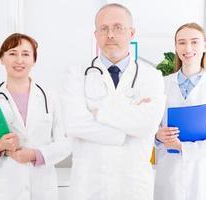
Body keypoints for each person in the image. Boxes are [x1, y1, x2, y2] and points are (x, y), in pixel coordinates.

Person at [61, 3, 165, 200]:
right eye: (104, 28)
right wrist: (127, 126)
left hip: (133, 187)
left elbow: (147, 125)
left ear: (131, 33)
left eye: (118, 27)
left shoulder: (152, 76)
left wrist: (100, 112)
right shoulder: (76, 74)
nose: (110, 34)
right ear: (96, 34)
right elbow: (74, 124)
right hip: (89, 187)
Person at [0, 33, 72, 200]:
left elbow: (66, 144)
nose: (19, 60)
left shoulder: (51, 99)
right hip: (0, 191)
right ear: (1, 58)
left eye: (26, 54)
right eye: (12, 53)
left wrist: (35, 155)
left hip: (40, 189)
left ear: (34, 60)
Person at [154, 23, 206, 200]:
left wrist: (184, 147)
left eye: (194, 42)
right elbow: (149, 126)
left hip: (203, 177)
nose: (188, 48)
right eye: (181, 42)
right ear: (175, 47)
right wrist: (158, 135)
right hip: (169, 175)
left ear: (205, 46)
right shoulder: (161, 85)